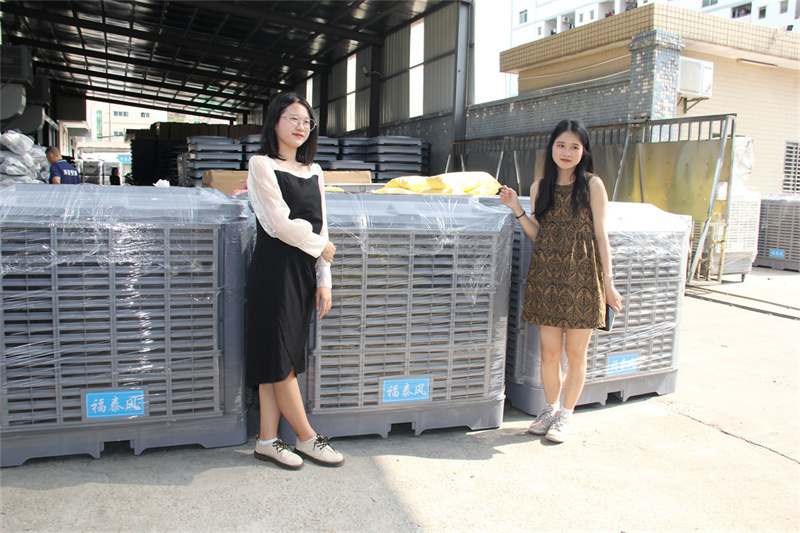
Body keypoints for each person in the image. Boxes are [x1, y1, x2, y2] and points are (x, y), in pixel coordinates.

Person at [499, 119, 623, 444]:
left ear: (584, 151)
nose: (566, 152)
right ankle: (549, 410)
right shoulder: (539, 187)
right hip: (547, 276)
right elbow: (538, 235)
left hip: (583, 276)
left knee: (575, 352)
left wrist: (608, 284)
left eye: (574, 146)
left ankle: (565, 415)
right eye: (561, 145)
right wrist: (516, 208)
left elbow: (601, 236)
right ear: (551, 147)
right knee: (549, 352)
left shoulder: (592, 185)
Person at [245, 91, 344, 469]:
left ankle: (267, 441)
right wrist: (321, 246)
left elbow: (322, 225)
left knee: (276, 360)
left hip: (303, 272)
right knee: (282, 361)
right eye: (293, 118)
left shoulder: (314, 171)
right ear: (275, 123)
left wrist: (324, 278)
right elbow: (277, 223)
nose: (301, 126)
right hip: (274, 271)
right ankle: (306, 437)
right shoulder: (261, 165)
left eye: (307, 121)